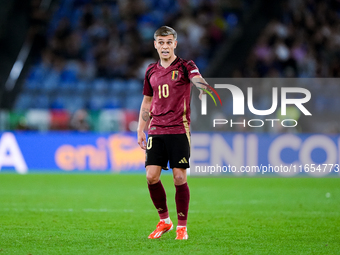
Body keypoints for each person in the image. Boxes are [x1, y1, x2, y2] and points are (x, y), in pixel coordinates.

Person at [137, 26, 208, 240]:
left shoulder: (186, 66)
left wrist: (202, 86)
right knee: (151, 176)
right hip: (156, 129)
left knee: (179, 177)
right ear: (155, 44)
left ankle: (182, 227)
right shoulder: (151, 70)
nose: (165, 46)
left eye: (169, 42)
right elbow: (147, 101)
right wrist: (141, 128)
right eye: (161, 42)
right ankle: (165, 221)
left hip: (179, 128)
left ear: (175, 44)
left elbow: (197, 79)